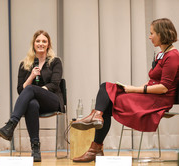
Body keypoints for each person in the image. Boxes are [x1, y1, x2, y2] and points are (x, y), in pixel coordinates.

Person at [71, 18, 179, 162]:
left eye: (152, 33)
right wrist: (136, 89)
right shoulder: (162, 54)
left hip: (159, 100)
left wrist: (135, 89)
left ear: (162, 34)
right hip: (151, 95)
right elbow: (153, 81)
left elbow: (164, 87)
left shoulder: (173, 56)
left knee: (108, 101)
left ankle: (95, 144)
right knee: (106, 87)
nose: (149, 36)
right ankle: (97, 120)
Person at [0, 30, 64, 162]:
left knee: (32, 90)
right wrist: (32, 76)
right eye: (38, 41)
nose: (41, 44)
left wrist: (39, 91)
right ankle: (35, 148)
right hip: (36, 104)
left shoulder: (55, 61)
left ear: (48, 44)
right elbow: (21, 90)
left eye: (44, 41)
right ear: (33, 44)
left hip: (52, 100)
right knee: (31, 104)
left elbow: (55, 84)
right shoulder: (24, 64)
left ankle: (11, 124)